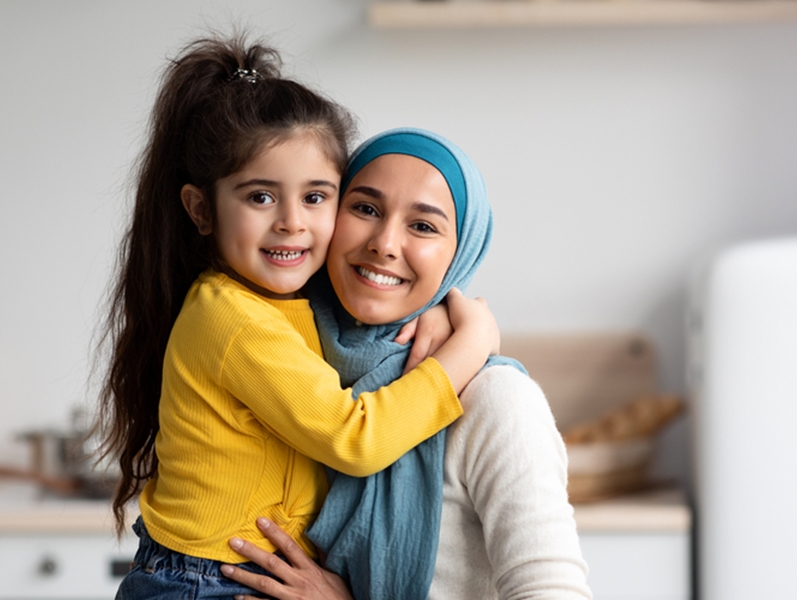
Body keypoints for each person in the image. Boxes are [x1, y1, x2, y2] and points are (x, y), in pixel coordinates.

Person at [98, 38, 502, 600]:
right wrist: (475, 340)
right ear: (200, 209)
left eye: (316, 197)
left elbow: (381, 286)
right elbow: (353, 438)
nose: (293, 223)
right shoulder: (234, 318)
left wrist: (437, 308)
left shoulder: (293, 300)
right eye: (261, 197)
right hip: (206, 582)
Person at [219, 128, 593, 600]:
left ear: (460, 253)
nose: (385, 243)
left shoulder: (497, 402)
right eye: (366, 209)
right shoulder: (289, 361)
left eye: (423, 226)